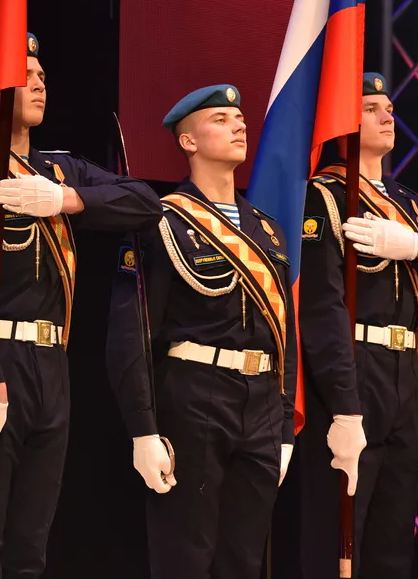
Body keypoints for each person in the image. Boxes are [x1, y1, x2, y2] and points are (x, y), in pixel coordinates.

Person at [0, 33, 162, 577]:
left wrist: (69, 199)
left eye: (41, 74)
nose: (40, 82)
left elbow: (145, 202)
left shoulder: (58, 170)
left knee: (29, 553)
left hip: (50, 367)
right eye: (25, 74)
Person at [297, 72, 418, 577]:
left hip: (404, 373)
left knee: (392, 540)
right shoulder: (324, 198)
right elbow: (321, 309)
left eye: (390, 108)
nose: (387, 116)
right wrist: (343, 405)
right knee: (337, 541)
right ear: (342, 122)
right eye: (370, 108)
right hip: (352, 370)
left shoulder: (407, 204)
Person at [107, 84, 295, 578]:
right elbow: (131, 335)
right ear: (188, 141)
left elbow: (285, 334)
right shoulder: (162, 220)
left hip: (261, 402)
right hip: (194, 394)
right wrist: (143, 429)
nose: (239, 125)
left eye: (240, 118)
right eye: (221, 119)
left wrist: (284, 426)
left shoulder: (268, 230)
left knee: (244, 560)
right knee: (185, 557)